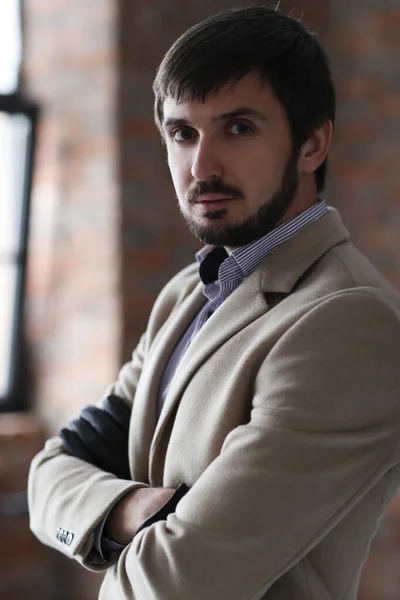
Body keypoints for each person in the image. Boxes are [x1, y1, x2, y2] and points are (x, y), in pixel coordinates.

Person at [28, 6, 400, 600]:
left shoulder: (351, 323)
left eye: (239, 128)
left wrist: (112, 524)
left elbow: (179, 582)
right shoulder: (187, 293)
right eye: (183, 133)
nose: (202, 166)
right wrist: (128, 509)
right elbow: (49, 475)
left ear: (313, 143)